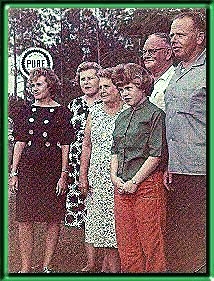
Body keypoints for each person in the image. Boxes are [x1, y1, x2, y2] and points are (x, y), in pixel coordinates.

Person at [9, 67, 75, 273]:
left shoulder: (63, 112)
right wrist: (14, 172)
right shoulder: (25, 111)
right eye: (32, 85)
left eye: (39, 84)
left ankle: (47, 266)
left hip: (52, 170)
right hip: (28, 169)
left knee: (52, 218)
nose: (34, 89)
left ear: (50, 85)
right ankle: (26, 267)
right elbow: (19, 141)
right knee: (24, 218)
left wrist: (64, 174)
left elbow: (66, 144)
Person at [110, 63, 168, 273]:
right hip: (122, 187)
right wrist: (115, 178)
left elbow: (156, 154)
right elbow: (115, 150)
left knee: (152, 244)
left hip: (146, 187)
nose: (124, 93)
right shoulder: (122, 117)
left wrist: (135, 182)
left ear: (142, 86)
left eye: (129, 88)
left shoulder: (155, 114)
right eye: (121, 88)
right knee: (127, 246)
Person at [164, 11, 206, 272]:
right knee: (180, 241)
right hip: (177, 170)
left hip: (203, 171)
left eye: (180, 34)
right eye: (171, 35)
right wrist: (169, 162)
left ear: (200, 37)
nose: (173, 40)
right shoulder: (176, 73)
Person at [78, 68, 124, 273]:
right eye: (101, 86)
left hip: (120, 175)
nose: (102, 91)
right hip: (97, 176)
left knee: (118, 227)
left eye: (107, 86)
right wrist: (83, 175)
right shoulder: (94, 111)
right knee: (102, 227)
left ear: (119, 88)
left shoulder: (128, 110)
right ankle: (109, 270)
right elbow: (86, 145)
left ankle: (116, 269)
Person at [65, 61, 102, 229]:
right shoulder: (73, 105)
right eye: (82, 79)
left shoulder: (108, 101)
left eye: (90, 78)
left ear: (99, 79)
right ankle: (90, 254)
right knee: (82, 211)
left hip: (100, 161)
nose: (86, 82)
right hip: (76, 165)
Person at [142, 33, 175, 112]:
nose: (146, 56)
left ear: (167, 53)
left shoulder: (176, 79)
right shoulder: (143, 82)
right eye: (144, 52)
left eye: (152, 51)